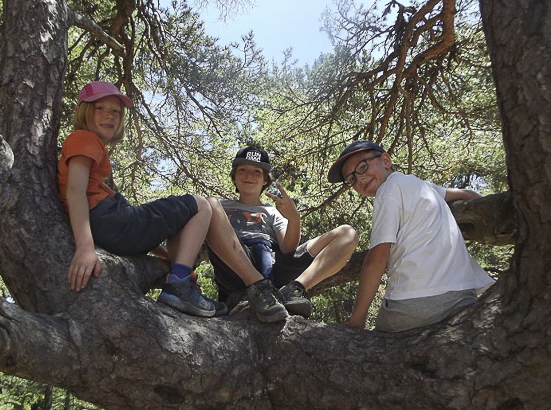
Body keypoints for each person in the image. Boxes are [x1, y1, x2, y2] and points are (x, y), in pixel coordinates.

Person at [57, 81, 288, 322]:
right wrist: (84, 248)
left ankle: (180, 274)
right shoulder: (84, 138)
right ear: (83, 111)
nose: (109, 115)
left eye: (115, 111)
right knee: (201, 205)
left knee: (187, 215)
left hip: (116, 227)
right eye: (99, 108)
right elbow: (75, 191)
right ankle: (183, 283)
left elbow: (121, 216)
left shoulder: (90, 147)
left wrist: (164, 254)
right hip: (111, 222)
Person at [327, 140, 494, 332]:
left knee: (374, 348)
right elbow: (466, 193)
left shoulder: (387, 190)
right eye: (352, 180)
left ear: (386, 160)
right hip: (463, 296)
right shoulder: (421, 186)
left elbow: (377, 259)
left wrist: (357, 319)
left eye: (363, 167)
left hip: (413, 303)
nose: (360, 179)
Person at [209, 145, 359, 318]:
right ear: (234, 176)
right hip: (234, 264)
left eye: (257, 171)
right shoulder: (218, 206)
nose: (249, 175)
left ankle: (295, 290)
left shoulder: (273, 212)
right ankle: (254, 287)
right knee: (208, 203)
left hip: (271, 266)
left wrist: (294, 219)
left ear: (265, 180)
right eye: (242, 169)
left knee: (347, 233)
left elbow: (288, 248)